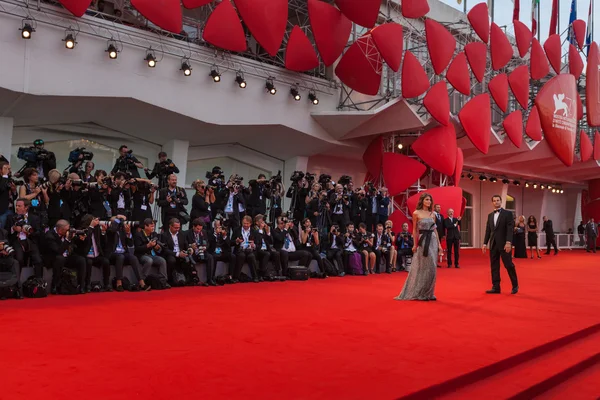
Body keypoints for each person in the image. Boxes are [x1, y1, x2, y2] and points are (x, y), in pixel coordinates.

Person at [394, 193, 441, 301]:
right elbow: (415, 230)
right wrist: (415, 244)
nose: (429, 202)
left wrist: (439, 244)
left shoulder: (432, 214)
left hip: (432, 239)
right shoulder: (416, 213)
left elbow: (435, 230)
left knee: (433, 267)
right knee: (425, 266)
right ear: (422, 201)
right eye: (427, 200)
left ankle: (429, 293)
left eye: (430, 200)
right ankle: (421, 293)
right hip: (423, 241)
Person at [482, 195, 519, 295]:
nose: (496, 202)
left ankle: (515, 285)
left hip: (504, 244)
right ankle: (496, 287)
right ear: (492, 203)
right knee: (494, 266)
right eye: (494, 201)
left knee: (508, 265)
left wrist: (508, 242)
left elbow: (510, 229)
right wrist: (485, 243)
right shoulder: (490, 215)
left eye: (498, 200)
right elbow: (488, 230)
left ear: (501, 201)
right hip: (493, 244)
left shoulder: (508, 214)